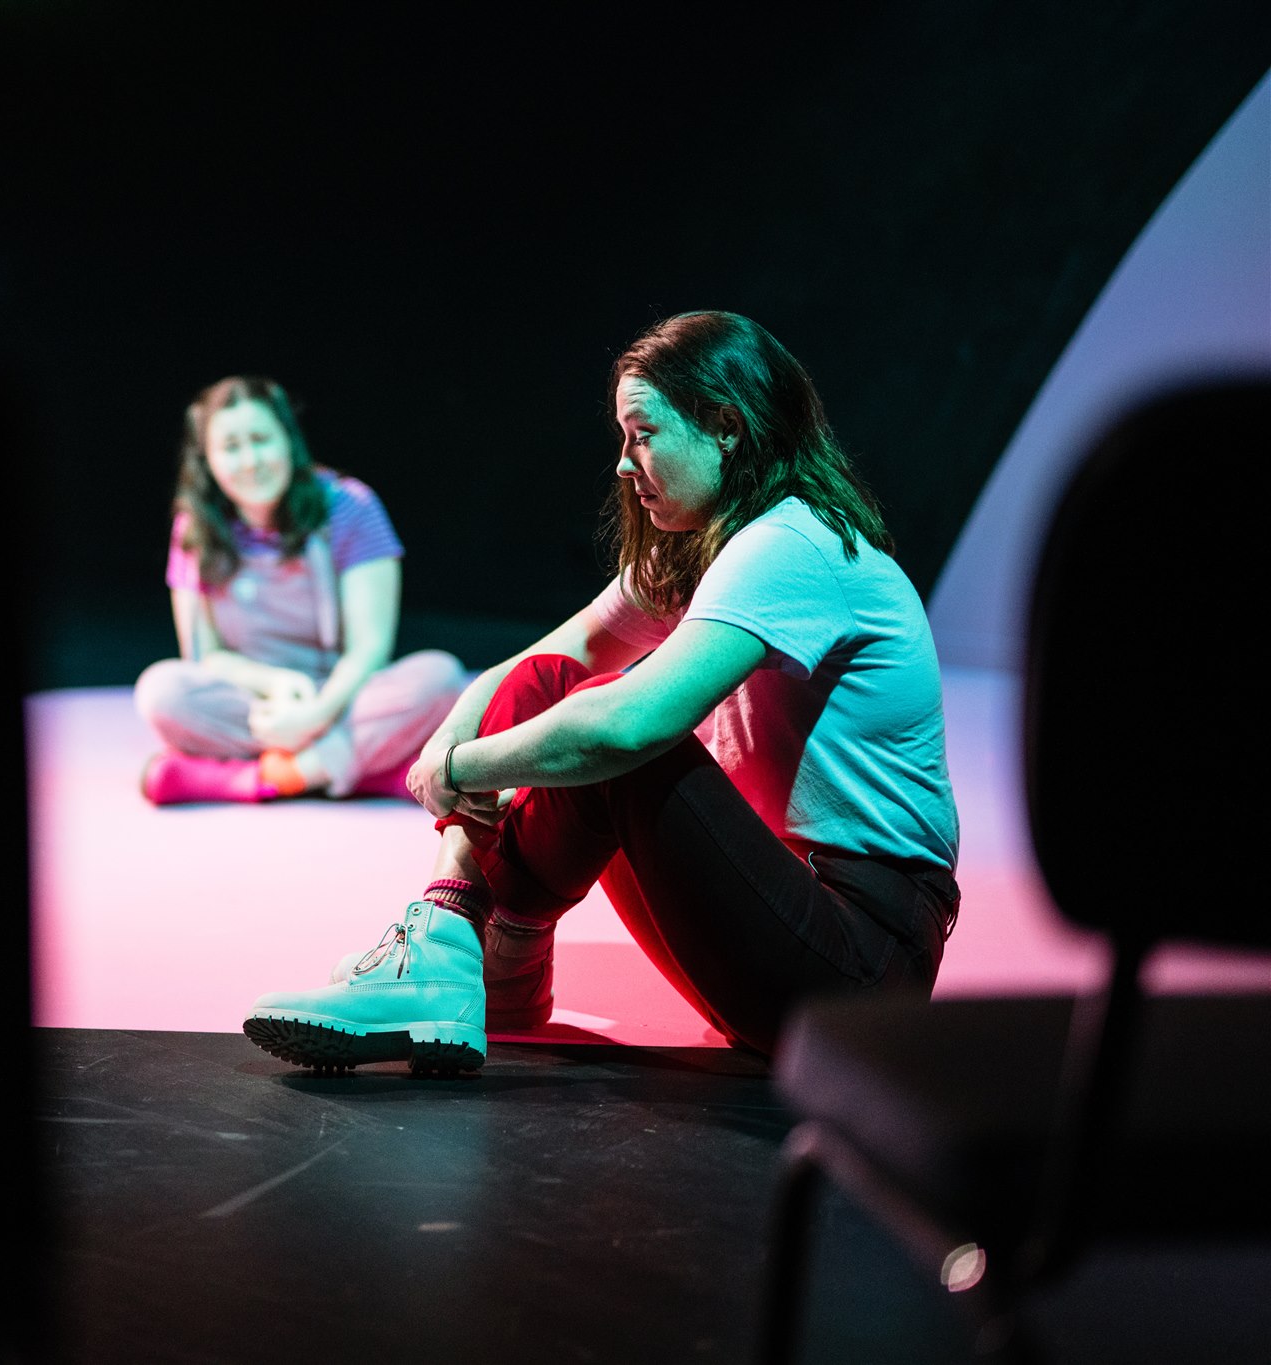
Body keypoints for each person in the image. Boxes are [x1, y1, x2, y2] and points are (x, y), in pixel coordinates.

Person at [243, 312, 961, 1073]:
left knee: (622, 730)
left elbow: (626, 727)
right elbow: (547, 661)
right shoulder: (706, 551)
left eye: (642, 434)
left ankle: (453, 949)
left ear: (725, 427)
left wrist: (457, 770)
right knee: (555, 684)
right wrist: (452, 737)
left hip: (858, 969)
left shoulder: (792, 543)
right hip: (779, 923)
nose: (623, 463)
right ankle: (477, 957)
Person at [135, 375, 470, 805]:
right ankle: (371, 770)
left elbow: (369, 648)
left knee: (440, 678)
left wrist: (317, 714)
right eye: (231, 447)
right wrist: (276, 685)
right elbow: (205, 656)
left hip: (345, 697)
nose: (250, 461)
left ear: (288, 441)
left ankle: (267, 777)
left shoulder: (349, 506)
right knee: (162, 693)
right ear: (208, 460)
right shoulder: (194, 528)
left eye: (261, 440)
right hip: (259, 706)